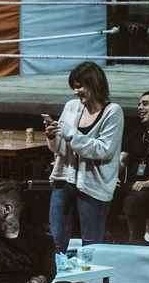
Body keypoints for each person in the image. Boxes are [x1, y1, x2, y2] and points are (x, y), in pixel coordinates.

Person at [45, 61, 124, 251]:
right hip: (64, 179)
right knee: (55, 240)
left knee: (91, 245)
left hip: (94, 186)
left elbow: (104, 150)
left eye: (80, 86)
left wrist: (71, 135)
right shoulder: (71, 107)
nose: (75, 91)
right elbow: (60, 148)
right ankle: (55, 271)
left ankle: (89, 273)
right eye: (74, 87)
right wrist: (52, 136)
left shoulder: (113, 112)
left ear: (94, 84)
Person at [120, 90, 149, 243]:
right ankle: (109, 238)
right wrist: (109, 178)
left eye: (145, 104)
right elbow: (122, 160)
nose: (140, 107)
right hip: (133, 185)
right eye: (139, 104)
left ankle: (136, 242)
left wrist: (147, 183)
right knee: (106, 193)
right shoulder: (136, 133)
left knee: (135, 200)